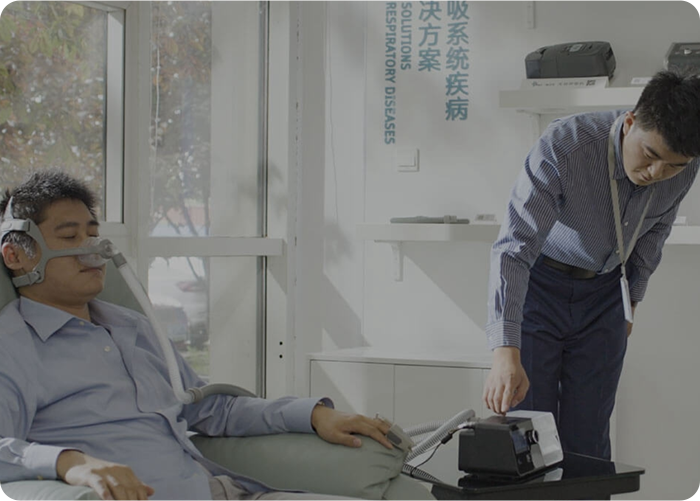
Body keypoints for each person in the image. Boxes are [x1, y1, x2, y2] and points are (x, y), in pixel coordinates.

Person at [0, 170, 394, 501]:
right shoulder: (13, 347)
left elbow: (209, 409)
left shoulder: (132, 327)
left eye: (93, 234)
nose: (93, 249)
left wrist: (313, 414)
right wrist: (69, 462)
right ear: (15, 256)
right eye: (70, 237)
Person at [483, 70, 700, 459]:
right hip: (540, 288)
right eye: (650, 155)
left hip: (606, 295)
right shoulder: (566, 145)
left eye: (673, 167)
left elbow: (655, 231)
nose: (656, 174)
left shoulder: (686, 165)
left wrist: (632, 301)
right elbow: (515, 247)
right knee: (528, 433)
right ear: (630, 122)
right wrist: (504, 349)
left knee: (590, 437)